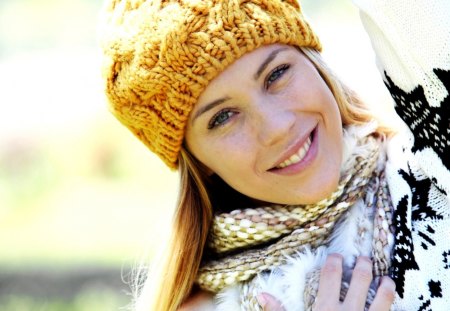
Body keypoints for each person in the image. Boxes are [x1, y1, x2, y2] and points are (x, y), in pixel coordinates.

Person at [99, 0, 449, 310]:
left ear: (313, 62)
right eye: (222, 117)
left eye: (277, 74)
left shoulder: (433, 174)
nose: (277, 127)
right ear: (199, 162)